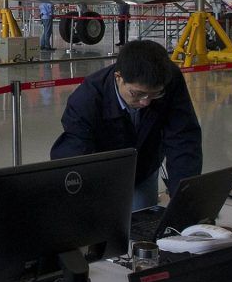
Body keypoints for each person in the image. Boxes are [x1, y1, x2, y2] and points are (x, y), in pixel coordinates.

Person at [50, 39, 202, 210]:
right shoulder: (87, 99)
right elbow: (75, 157)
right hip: (101, 175)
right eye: (138, 94)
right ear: (118, 77)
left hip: (144, 167)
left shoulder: (168, 79)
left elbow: (183, 139)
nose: (145, 102)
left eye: (154, 95)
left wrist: (184, 200)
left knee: (142, 221)